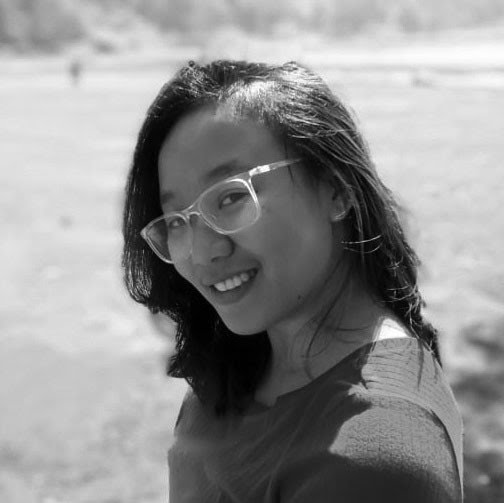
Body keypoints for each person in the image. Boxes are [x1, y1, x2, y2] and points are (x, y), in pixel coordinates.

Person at [122, 60, 463, 502]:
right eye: (177, 220)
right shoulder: (247, 360)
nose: (203, 251)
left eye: (230, 197)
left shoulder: (371, 455)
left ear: (336, 188)